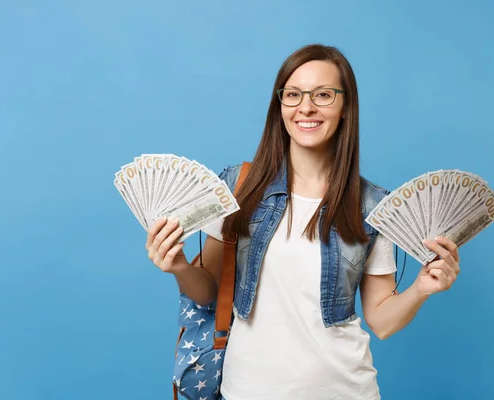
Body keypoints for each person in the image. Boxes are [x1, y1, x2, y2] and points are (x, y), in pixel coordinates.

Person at [145, 44, 461, 400]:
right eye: (293, 94)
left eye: (323, 95)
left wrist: (421, 289)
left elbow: (381, 321)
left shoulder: (371, 205)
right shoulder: (237, 188)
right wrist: (180, 267)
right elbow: (208, 292)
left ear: (345, 108)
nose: (306, 107)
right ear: (280, 107)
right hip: (248, 391)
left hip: (347, 390)